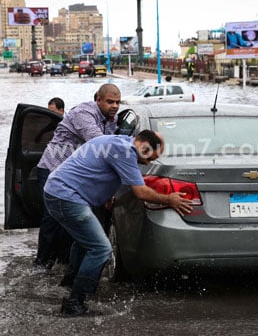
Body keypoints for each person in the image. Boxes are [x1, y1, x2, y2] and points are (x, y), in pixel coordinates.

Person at [43, 130, 193, 316]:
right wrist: (169, 199)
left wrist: (109, 192)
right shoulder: (124, 151)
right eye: (150, 158)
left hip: (59, 191)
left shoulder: (121, 142)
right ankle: (74, 302)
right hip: (65, 196)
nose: (148, 163)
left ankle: (69, 283)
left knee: (85, 241)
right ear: (144, 146)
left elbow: (104, 169)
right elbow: (141, 192)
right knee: (101, 248)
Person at [33, 83, 121, 275]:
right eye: (110, 102)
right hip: (52, 169)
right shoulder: (84, 113)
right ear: (98, 99)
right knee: (53, 217)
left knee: (70, 220)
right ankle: (41, 265)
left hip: (73, 176)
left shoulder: (110, 119)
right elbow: (100, 145)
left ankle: (63, 262)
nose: (114, 106)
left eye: (117, 102)